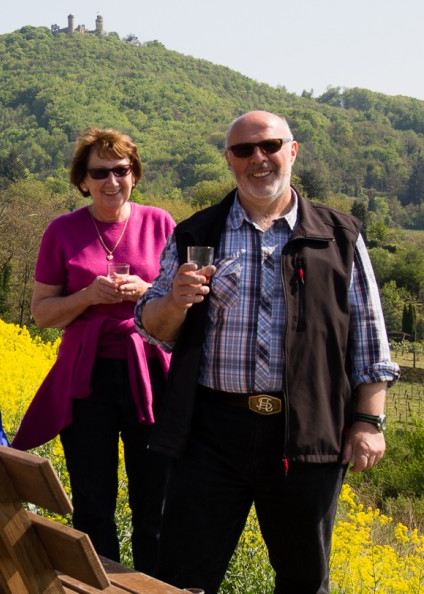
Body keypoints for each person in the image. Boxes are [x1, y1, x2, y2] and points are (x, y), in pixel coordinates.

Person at [136, 111, 400, 593]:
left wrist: (368, 421)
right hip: (211, 431)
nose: (258, 158)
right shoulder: (197, 233)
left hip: (305, 433)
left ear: (292, 151)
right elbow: (152, 327)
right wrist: (175, 300)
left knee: (303, 580)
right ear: (229, 161)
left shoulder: (339, 235)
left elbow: (369, 335)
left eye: (270, 146)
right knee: (182, 574)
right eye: (243, 150)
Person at [12, 127, 175, 574]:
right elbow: (43, 314)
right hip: (87, 379)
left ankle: (155, 588)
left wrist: (147, 290)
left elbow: (182, 303)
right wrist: (86, 296)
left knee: (156, 505)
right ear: (83, 180)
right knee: (92, 503)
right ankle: (99, 586)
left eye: (121, 170)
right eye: (99, 172)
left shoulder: (161, 224)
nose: (111, 181)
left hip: (151, 375)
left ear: (134, 174)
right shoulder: (62, 231)